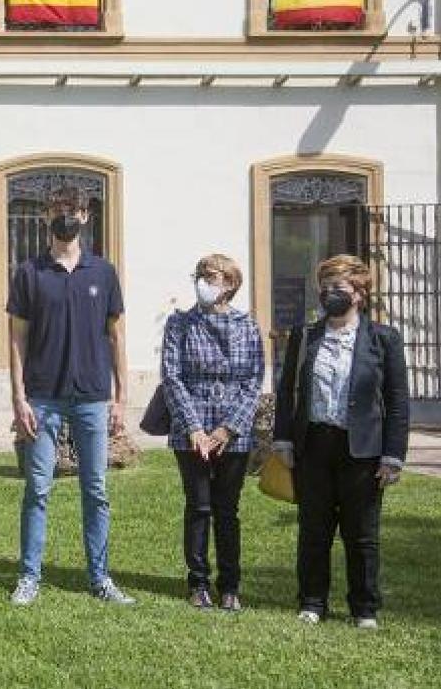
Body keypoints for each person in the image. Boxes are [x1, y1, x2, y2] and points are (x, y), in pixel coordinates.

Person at [8, 185, 134, 606]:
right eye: (60, 208)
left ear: (86, 216)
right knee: (37, 489)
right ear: (47, 215)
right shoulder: (29, 272)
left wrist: (122, 396)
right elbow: (17, 340)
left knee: (95, 489)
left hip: (93, 396)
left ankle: (100, 577)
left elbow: (116, 336)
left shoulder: (103, 272)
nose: (67, 215)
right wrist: (18, 397)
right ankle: (29, 576)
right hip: (43, 396)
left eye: (75, 209)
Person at [273, 254, 409, 630]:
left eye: (339, 287)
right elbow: (286, 392)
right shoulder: (305, 336)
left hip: (363, 451)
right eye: (326, 286)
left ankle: (364, 608)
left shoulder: (384, 339)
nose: (330, 293)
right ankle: (312, 602)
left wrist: (393, 456)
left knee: (362, 534)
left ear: (359, 294)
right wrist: (282, 439)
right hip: (314, 445)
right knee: (314, 529)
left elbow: (398, 402)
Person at [161, 254, 264, 612]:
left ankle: (231, 585)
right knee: (199, 506)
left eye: (212, 276)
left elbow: (253, 382)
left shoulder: (247, 326)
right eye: (201, 275)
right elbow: (172, 378)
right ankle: (198, 582)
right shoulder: (179, 325)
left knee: (227, 509)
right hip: (191, 430)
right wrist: (194, 429)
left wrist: (226, 430)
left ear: (230, 284)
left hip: (233, 433)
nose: (204, 281)